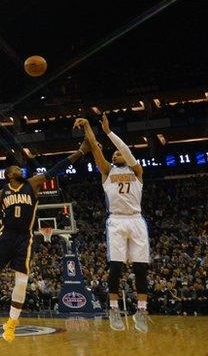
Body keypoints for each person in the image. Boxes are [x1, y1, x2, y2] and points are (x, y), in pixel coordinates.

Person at [0, 140, 88, 342]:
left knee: (21, 282)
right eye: (16, 169)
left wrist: (80, 152)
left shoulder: (32, 184)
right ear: (9, 175)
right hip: (5, 235)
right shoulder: (1, 194)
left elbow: (57, 169)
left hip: (24, 237)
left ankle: (11, 324)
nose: (20, 169)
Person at [77, 114, 150, 332]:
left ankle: (142, 311)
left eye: (120, 153)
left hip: (136, 220)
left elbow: (126, 150)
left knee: (141, 268)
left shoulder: (137, 171)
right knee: (116, 267)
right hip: (117, 220)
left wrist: (109, 132)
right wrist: (88, 127)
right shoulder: (108, 172)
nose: (117, 154)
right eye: (114, 153)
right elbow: (96, 150)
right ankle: (114, 308)